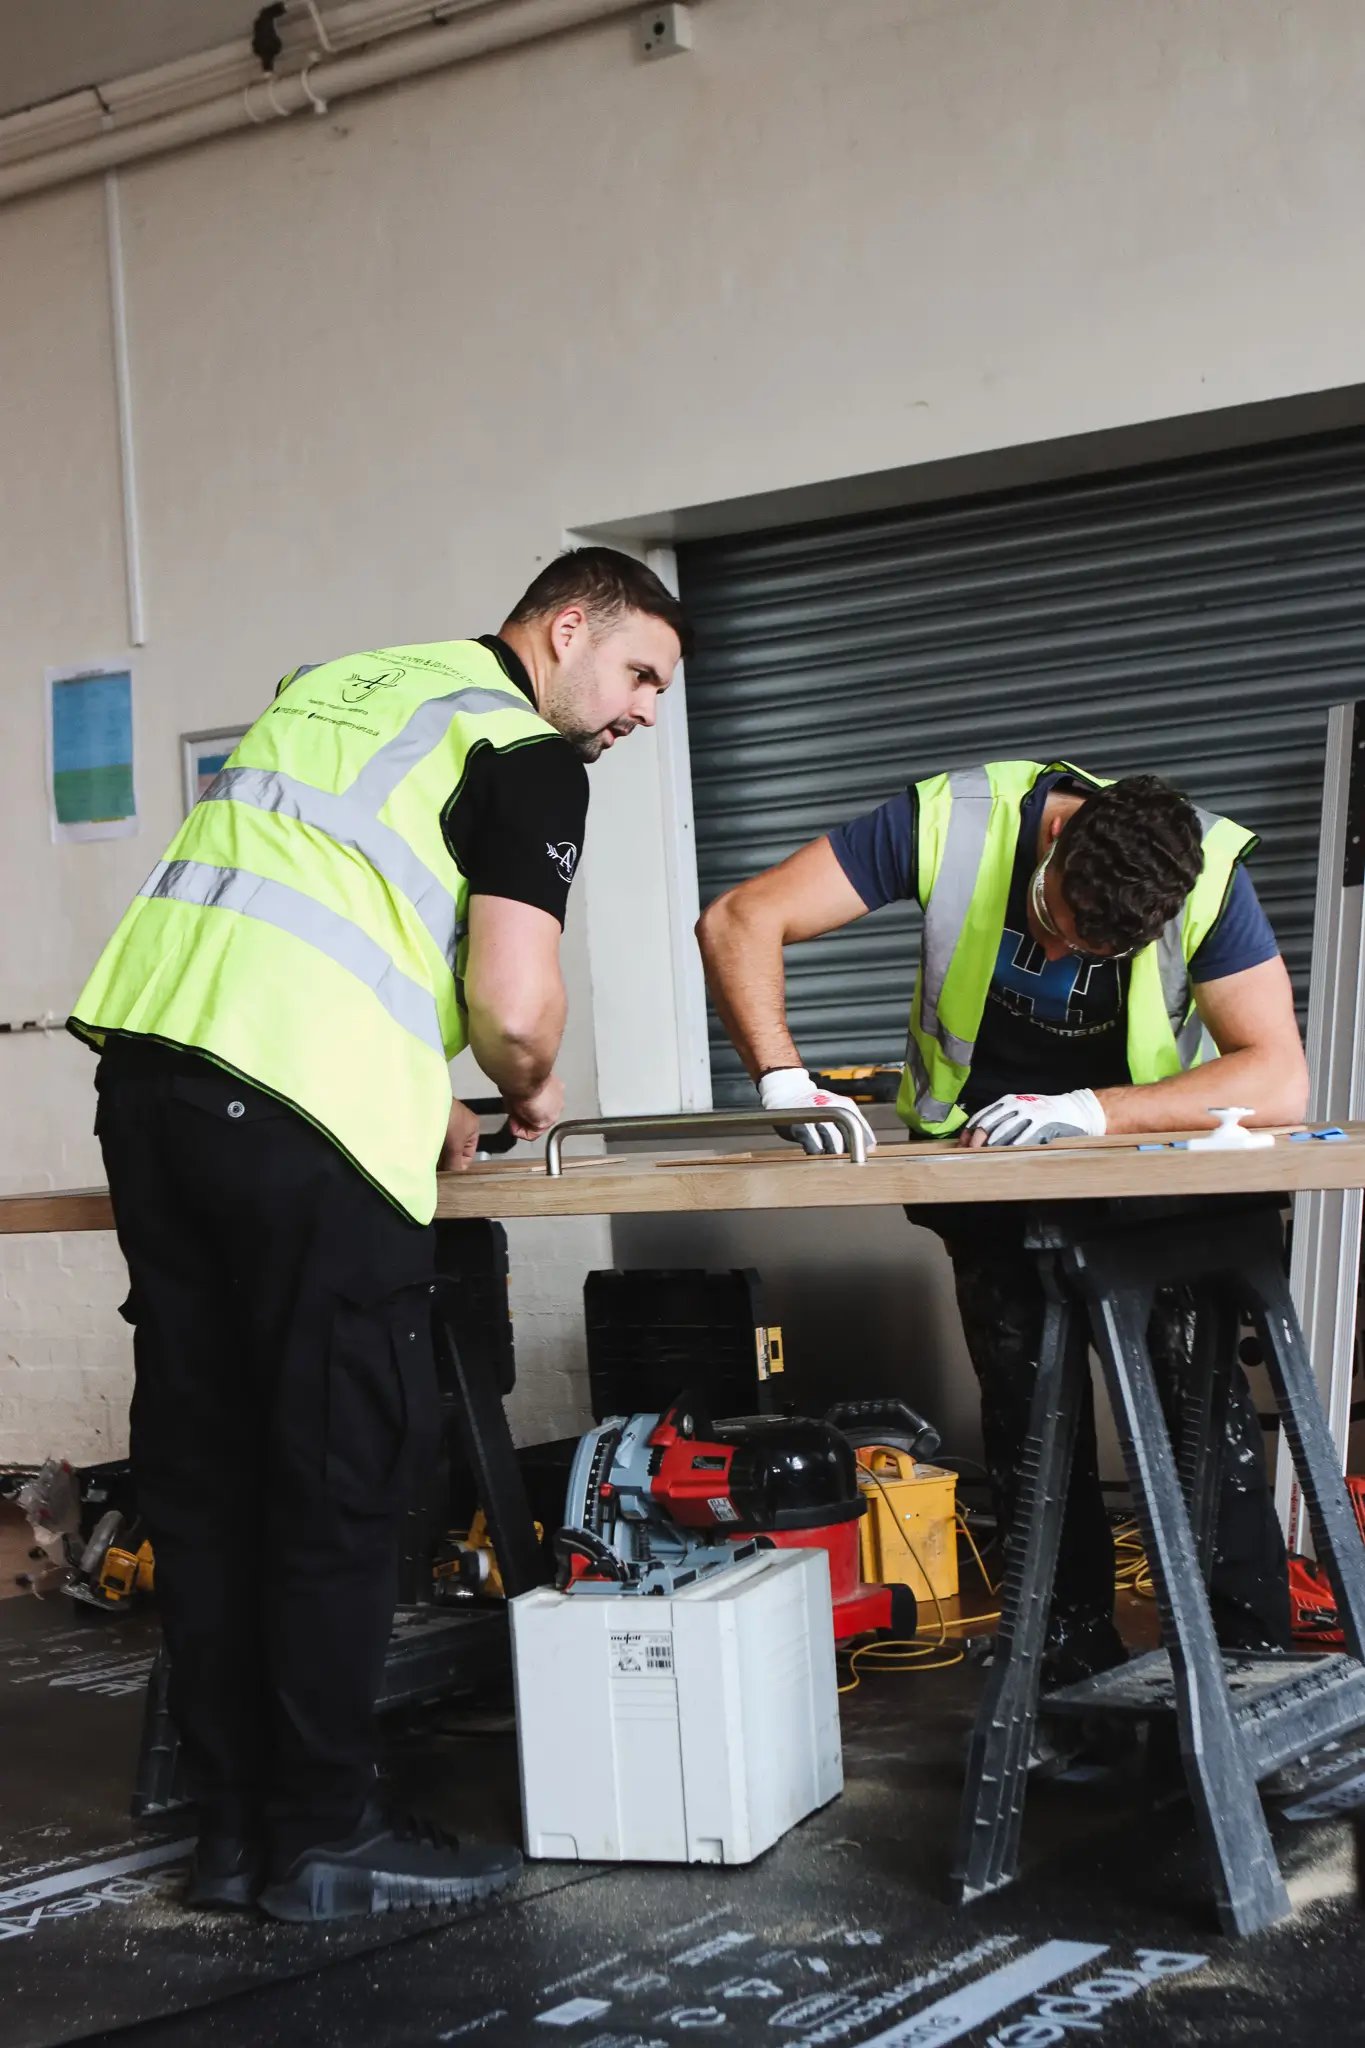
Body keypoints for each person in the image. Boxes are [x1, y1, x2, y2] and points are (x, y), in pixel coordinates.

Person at [69, 547, 687, 1922]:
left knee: (212, 1476)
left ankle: (232, 1839)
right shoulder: (524, 750)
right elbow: (514, 1008)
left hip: (155, 1089)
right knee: (339, 1470)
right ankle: (326, 1837)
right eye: (639, 672)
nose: (642, 712)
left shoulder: (343, 685)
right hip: (297, 1125)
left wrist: (427, 1101)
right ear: (567, 625)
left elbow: (326, 918)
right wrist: (525, 1094)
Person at [697, 761, 1307, 1683]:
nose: (1065, 960)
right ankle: (1063, 1668)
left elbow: (1277, 1079)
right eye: (1057, 925)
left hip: (1142, 1182)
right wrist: (782, 1075)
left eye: (1096, 956)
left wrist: (1094, 1111)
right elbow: (741, 918)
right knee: (1033, 1423)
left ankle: (1245, 1665)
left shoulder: (1206, 874)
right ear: (1058, 841)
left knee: (1199, 1416)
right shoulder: (955, 822)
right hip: (988, 1178)